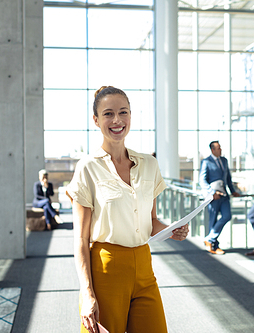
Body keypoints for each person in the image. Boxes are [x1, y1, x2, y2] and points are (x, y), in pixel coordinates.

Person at [66, 86, 189, 333]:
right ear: (96, 120)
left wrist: (171, 229)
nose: (117, 120)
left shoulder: (149, 164)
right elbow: (80, 238)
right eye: (108, 114)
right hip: (106, 269)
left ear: (130, 116)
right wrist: (87, 292)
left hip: (144, 266)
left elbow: (151, 220)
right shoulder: (87, 168)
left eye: (123, 112)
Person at [199, 141, 241, 254]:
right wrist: (212, 192)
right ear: (212, 150)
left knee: (227, 216)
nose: (220, 150)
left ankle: (209, 239)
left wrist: (233, 191)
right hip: (213, 196)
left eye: (220, 148)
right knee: (212, 220)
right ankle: (214, 246)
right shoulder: (206, 161)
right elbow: (202, 180)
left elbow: (228, 178)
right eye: (218, 148)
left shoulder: (224, 161)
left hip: (224, 195)